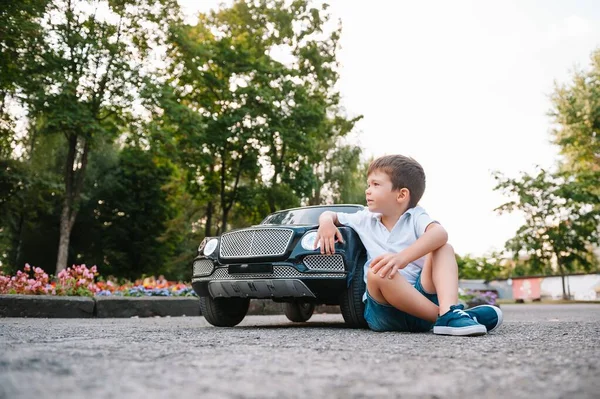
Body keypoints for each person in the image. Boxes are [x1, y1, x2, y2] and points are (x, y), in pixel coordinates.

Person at [315, 154, 502, 335]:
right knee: (377, 270)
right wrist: (326, 223)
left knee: (444, 248)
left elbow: (440, 233)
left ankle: (449, 311)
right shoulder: (365, 218)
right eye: (368, 184)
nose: (368, 190)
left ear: (402, 194)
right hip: (384, 311)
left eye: (376, 184)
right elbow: (330, 214)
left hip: (422, 296)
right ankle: (449, 316)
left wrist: (402, 258)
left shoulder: (415, 216)